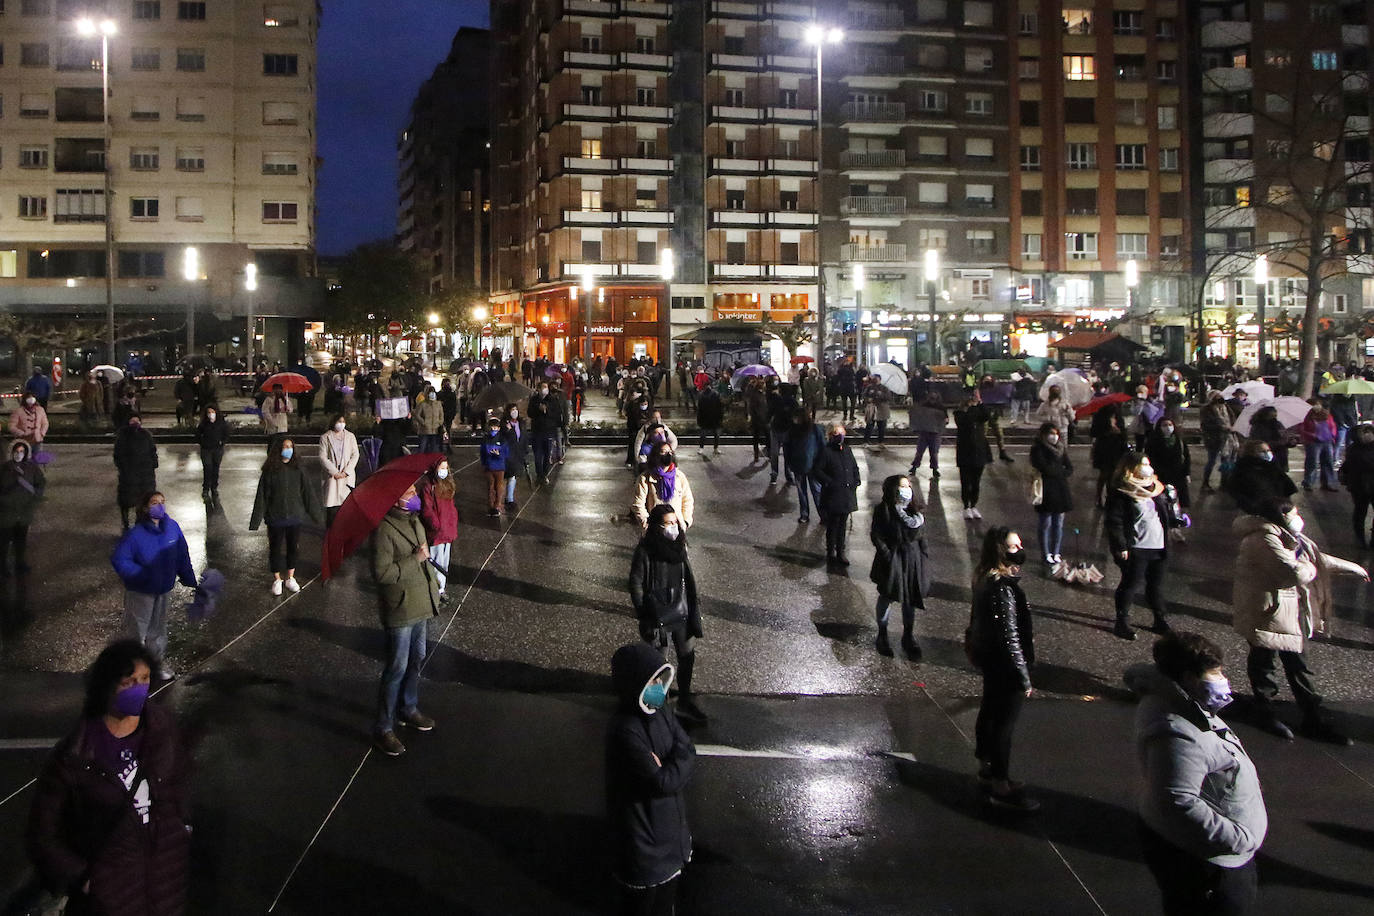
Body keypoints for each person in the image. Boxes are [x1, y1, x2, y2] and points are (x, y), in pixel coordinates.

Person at [27, 640, 192, 916]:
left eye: (144, 679)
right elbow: (42, 832)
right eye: (128, 682)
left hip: (164, 881)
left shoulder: (161, 728)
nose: (139, 689)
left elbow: (179, 780)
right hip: (109, 897)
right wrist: (82, 878)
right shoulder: (78, 753)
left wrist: (182, 828)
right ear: (106, 686)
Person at [1124, 631, 1265, 916]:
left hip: (1209, 852)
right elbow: (1177, 800)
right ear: (1189, 678)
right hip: (1208, 861)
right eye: (1216, 674)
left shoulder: (1185, 706)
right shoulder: (1178, 730)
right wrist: (1239, 837)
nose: (1223, 680)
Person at [1232, 500, 1368, 744]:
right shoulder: (1262, 539)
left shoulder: (1290, 537)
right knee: (1265, 663)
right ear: (1280, 517)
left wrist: (1352, 567)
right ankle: (1265, 711)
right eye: (1294, 514)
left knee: (1299, 667)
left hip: (1290, 612)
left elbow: (1315, 558)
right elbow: (1294, 571)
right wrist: (1308, 566)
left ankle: (1311, 717)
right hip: (1269, 613)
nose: (1298, 518)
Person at [606, 641, 695, 915]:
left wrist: (669, 763)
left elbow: (687, 749)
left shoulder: (662, 711)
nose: (658, 686)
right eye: (652, 680)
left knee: (666, 907)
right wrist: (674, 762)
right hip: (644, 853)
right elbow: (662, 783)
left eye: (660, 678)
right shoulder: (625, 731)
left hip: (671, 843)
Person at [964, 526, 1037, 812]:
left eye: (1019, 544)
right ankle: (1000, 782)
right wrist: (1024, 677)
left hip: (990, 659)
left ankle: (986, 767)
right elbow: (1010, 636)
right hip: (1005, 665)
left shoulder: (984, 577)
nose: (1019, 550)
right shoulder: (1003, 588)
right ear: (1000, 550)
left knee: (989, 711)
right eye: (1013, 546)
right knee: (1004, 723)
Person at [371, 483, 441, 757]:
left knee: (417, 658)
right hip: (401, 608)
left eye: (414, 491)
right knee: (396, 667)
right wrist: (415, 559)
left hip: (421, 602)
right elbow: (382, 573)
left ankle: (408, 708)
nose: (414, 496)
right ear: (394, 499)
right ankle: (383, 727)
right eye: (409, 493)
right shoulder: (384, 531)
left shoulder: (415, 521)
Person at [629, 504, 706, 721]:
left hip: (682, 609)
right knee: (658, 663)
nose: (672, 527)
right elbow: (635, 583)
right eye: (667, 523)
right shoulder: (645, 550)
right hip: (657, 615)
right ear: (656, 526)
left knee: (687, 656)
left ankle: (684, 700)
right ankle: (654, 707)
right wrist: (643, 613)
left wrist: (694, 604)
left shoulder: (680, 545)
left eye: (674, 522)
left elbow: (688, 577)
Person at [110, 492, 197, 679]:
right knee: (136, 631)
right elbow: (120, 559)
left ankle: (156, 666)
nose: (160, 506)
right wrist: (140, 575)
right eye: (155, 503)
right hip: (141, 592)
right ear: (145, 508)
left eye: (162, 502)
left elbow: (182, 554)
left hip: (163, 589)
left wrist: (188, 577)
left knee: (157, 631)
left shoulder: (172, 528)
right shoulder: (135, 535)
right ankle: (133, 669)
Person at [1105, 453, 1188, 640]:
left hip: (1159, 545)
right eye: (1142, 464)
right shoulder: (1120, 492)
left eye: (1148, 463)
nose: (1147, 467)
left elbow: (1164, 513)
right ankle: (1122, 621)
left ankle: (1160, 619)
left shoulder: (1156, 488)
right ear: (1130, 468)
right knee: (1130, 584)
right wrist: (1121, 546)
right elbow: (1114, 522)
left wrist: (1176, 518)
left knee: (1156, 586)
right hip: (1136, 547)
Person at [249, 438, 325, 595]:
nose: (288, 450)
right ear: (278, 450)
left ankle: (290, 577)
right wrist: (255, 521)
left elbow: (308, 494)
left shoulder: (299, 469)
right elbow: (261, 496)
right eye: (285, 447)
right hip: (275, 518)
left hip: (294, 517)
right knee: (275, 549)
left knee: (293, 548)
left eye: (291, 447)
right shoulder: (269, 471)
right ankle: (277, 579)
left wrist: (317, 516)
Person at [870, 474, 930, 659]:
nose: (908, 489)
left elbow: (922, 537)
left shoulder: (915, 511)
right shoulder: (884, 510)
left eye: (909, 485)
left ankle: (908, 635)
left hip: (912, 560)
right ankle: (882, 633)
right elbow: (877, 536)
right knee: (887, 596)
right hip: (893, 559)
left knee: (910, 599)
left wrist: (923, 557)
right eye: (903, 486)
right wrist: (888, 556)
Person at [953, 390, 1007, 521]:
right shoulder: (960, 413)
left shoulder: (978, 411)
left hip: (979, 451)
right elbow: (965, 421)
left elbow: (987, 416)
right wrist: (970, 407)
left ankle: (974, 505)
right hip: (965, 452)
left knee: (976, 482)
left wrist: (981, 403)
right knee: (966, 482)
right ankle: (966, 506)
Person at [811, 422, 860, 566]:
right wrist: (829, 482)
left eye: (843, 434)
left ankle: (841, 551)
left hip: (846, 494)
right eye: (838, 434)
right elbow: (817, 471)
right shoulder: (826, 452)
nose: (841, 437)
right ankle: (831, 551)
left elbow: (854, 467)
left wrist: (856, 481)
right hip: (833, 495)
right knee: (833, 525)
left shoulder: (847, 450)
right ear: (832, 436)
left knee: (842, 525)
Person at [1029, 422, 1073, 565]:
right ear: (1044, 435)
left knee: (1059, 523)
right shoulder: (1037, 449)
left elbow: (1069, 467)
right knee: (1045, 523)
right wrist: (1060, 472)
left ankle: (1056, 552)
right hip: (1046, 489)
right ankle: (1045, 553)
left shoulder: (1061, 448)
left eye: (1056, 434)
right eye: (1051, 434)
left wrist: (1061, 472)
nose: (1054, 437)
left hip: (1061, 489)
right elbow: (1044, 468)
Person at [0, 440, 44, 577]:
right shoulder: (4, 469)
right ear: (11, 452)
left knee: (21, 539)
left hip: (24, 510)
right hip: (7, 511)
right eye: (16, 451)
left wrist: (35, 496)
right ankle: (2, 566)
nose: (19, 454)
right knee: (4, 540)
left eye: (22, 452)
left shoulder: (32, 468)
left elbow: (40, 482)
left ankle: (20, 563)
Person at [632, 442, 695, 532]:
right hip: (655, 529)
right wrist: (646, 525)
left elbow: (687, 500)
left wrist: (686, 521)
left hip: (677, 528)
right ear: (656, 455)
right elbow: (638, 504)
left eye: (670, 452)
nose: (668, 454)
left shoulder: (679, 476)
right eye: (663, 452)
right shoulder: (645, 478)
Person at [419, 458, 458, 598]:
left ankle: (441, 589)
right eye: (441, 468)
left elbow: (451, 508)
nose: (444, 471)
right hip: (437, 532)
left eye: (445, 468)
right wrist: (436, 525)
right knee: (436, 562)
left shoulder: (447, 485)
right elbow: (427, 509)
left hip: (447, 530)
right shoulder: (429, 486)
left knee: (444, 562)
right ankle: (436, 590)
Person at [1226, 440, 1297, 516]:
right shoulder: (1242, 470)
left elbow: (1286, 489)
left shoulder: (1273, 468)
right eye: (1262, 452)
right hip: (1254, 514)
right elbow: (1237, 492)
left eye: (1268, 450)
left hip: (1278, 510)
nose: (1267, 454)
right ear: (1251, 453)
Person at [113, 414, 158, 531]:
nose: (135, 423)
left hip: (145, 474)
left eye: (137, 420)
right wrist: (123, 467)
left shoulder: (146, 435)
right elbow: (118, 455)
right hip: (129, 474)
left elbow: (152, 450)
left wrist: (153, 464)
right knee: (127, 499)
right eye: (133, 420)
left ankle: (140, 522)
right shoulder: (123, 436)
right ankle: (126, 522)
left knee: (143, 499)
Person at [784, 407, 826, 523]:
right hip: (800, 465)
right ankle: (807, 514)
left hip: (812, 466)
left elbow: (823, 447)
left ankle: (818, 515)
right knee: (806, 492)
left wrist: (821, 463)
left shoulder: (814, 429)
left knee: (815, 491)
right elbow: (787, 448)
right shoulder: (793, 431)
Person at [319, 413, 359, 526]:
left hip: (346, 478)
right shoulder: (325, 437)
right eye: (339, 421)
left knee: (346, 508)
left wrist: (347, 471)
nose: (341, 424)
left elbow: (355, 455)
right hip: (332, 478)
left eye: (343, 421)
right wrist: (335, 472)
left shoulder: (350, 437)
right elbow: (323, 457)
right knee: (332, 509)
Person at [1146, 416, 1192, 511]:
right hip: (1161, 475)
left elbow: (1186, 457)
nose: (1168, 427)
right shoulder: (1153, 441)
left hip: (1178, 475)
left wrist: (1187, 473)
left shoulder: (1179, 441)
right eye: (1164, 425)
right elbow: (1150, 459)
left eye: (1170, 425)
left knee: (1180, 499)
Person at [1339, 421, 1374, 546]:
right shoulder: (1354, 450)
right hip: (1359, 486)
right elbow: (1365, 464)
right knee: (1360, 512)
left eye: (1369, 432)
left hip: (1366, 484)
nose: (1368, 435)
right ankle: (1360, 538)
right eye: (1364, 432)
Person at [1091, 410, 1130, 508]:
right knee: (1104, 474)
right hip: (1104, 450)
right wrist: (1107, 432)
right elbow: (1093, 432)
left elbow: (1124, 435)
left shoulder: (1119, 417)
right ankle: (1099, 497)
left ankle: (1111, 498)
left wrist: (1119, 431)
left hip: (1117, 449)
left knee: (1114, 475)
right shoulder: (1099, 417)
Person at [1199, 390, 1235, 492]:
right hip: (1213, 438)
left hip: (1227, 438)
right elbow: (1205, 425)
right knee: (1212, 461)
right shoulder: (1206, 409)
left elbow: (1232, 417)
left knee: (1226, 460)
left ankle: (1224, 483)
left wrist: (1231, 427)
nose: (1220, 398)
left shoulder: (1225, 407)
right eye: (1217, 396)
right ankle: (1205, 483)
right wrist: (1222, 427)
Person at [1299, 401, 1339, 492]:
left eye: (1317, 404)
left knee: (1328, 462)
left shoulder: (1327, 415)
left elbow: (1332, 426)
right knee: (1312, 463)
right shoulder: (1306, 416)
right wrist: (1312, 435)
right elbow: (1302, 429)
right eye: (1314, 405)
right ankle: (1309, 483)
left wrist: (1332, 436)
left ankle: (1328, 483)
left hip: (1327, 441)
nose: (1316, 407)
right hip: (1313, 442)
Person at [194, 404, 230, 506]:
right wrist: (203, 442)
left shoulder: (221, 423)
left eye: (212, 412)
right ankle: (205, 488)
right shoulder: (204, 424)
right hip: (206, 450)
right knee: (207, 468)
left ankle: (214, 488)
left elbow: (226, 434)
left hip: (217, 450)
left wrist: (222, 442)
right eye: (209, 412)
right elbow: (197, 434)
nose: (211, 414)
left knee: (215, 469)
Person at [907, 393, 946, 477]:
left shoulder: (938, 407)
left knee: (932, 452)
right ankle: (916, 467)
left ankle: (933, 469)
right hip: (928, 432)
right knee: (921, 451)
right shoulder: (939, 407)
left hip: (931, 433)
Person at [501, 402, 530, 512]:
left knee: (513, 476)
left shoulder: (521, 423)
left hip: (518, 453)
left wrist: (525, 451)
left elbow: (524, 437)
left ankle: (509, 498)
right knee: (510, 475)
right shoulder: (504, 424)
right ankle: (506, 499)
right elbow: (503, 438)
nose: (515, 412)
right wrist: (507, 430)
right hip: (509, 454)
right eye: (512, 410)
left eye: (516, 409)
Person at [479, 416, 510, 518]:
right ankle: (491, 507)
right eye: (492, 427)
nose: (493, 429)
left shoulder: (502, 439)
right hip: (489, 466)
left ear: (499, 428)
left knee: (499, 487)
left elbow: (506, 453)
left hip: (499, 467)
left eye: (495, 427)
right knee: (490, 487)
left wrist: (499, 454)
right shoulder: (486, 439)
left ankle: (497, 505)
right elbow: (482, 452)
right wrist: (484, 463)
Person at [1247, 405, 1291, 471]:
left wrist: (1291, 441)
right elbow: (1257, 442)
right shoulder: (1258, 426)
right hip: (1264, 455)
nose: (1275, 416)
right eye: (1273, 414)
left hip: (1280, 455)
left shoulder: (1278, 424)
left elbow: (1285, 437)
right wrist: (1278, 443)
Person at [414, 384, 446, 454]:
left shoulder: (438, 404)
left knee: (433, 449)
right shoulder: (422, 404)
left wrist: (440, 422)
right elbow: (417, 415)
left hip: (435, 430)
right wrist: (423, 422)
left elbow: (441, 414)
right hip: (424, 430)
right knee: (422, 448)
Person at [695, 384, 724, 454]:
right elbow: (720, 407)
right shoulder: (716, 394)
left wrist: (699, 419)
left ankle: (701, 448)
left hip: (705, 418)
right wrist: (720, 418)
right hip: (714, 418)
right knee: (716, 434)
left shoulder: (701, 395)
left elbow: (699, 409)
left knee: (703, 434)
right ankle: (715, 448)